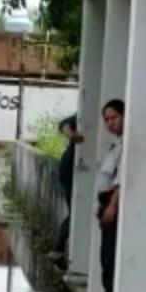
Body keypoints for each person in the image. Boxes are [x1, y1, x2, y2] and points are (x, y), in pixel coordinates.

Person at [92, 99, 124, 292]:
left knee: (111, 258)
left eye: (114, 117)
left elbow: (121, 181)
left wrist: (112, 206)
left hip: (114, 204)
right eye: (107, 120)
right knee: (106, 257)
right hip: (106, 203)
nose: (110, 123)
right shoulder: (117, 145)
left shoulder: (127, 146)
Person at [48, 114, 83, 270]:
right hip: (71, 171)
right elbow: (64, 123)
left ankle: (57, 250)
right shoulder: (84, 115)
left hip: (72, 170)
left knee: (75, 212)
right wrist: (71, 134)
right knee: (76, 212)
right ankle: (57, 249)